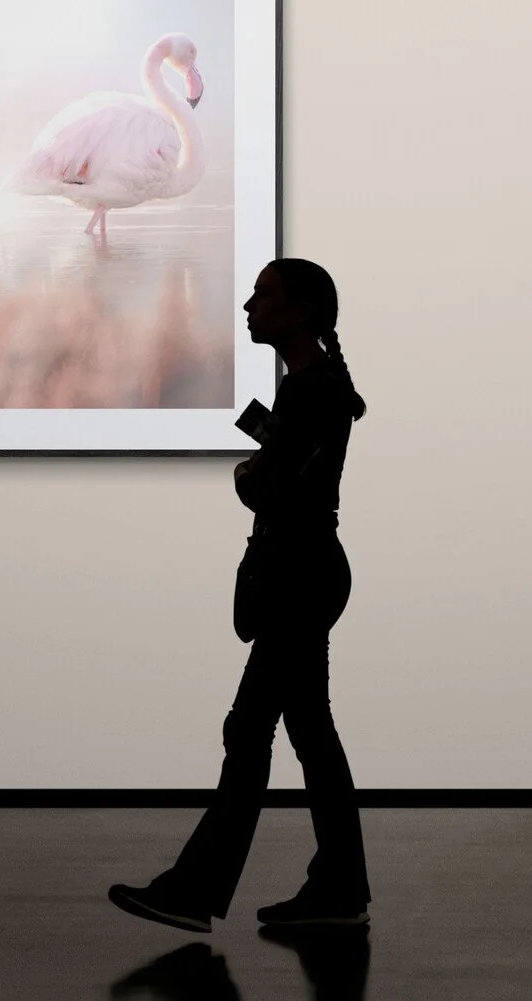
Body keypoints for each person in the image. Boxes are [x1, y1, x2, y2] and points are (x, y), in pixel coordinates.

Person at [111, 258, 372, 931]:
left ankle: (194, 891)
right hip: (305, 571)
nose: (251, 305)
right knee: (307, 732)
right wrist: (261, 468)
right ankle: (339, 888)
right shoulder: (315, 385)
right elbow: (286, 474)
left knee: (252, 729)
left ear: (302, 311)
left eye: (265, 295)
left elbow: (270, 486)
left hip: (298, 575)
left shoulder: (312, 389)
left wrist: (248, 474)